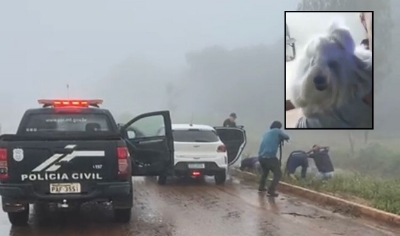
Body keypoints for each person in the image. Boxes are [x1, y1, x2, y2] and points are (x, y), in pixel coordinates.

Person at [257, 121, 290, 197]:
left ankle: (261, 187)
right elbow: (286, 136)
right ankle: (271, 190)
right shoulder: (277, 131)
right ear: (278, 127)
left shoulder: (266, 133)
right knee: (278, 173)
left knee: (265, 172)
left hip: (261, 157)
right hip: (270, 156)